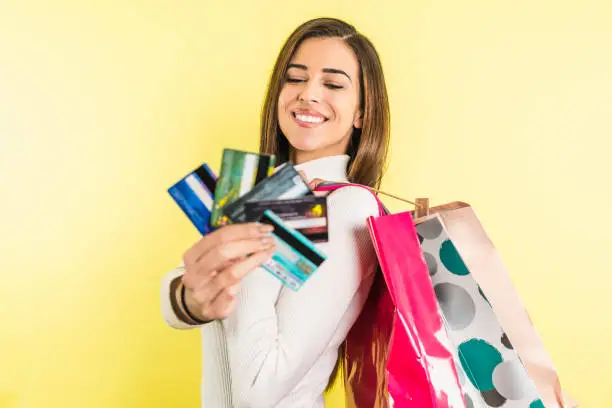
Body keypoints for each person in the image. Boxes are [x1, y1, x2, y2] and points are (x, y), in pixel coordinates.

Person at [160, 17, 391, 408]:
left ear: (361, 114)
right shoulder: (265, 190)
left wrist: (251, 248)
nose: (308, 94)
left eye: (333, 84)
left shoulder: (349, 206)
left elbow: (258, 389)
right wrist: (192, 299)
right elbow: (175, 303)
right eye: (295, 78)